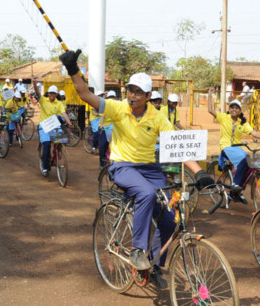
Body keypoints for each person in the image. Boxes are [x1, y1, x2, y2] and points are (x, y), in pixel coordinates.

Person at [59, 49, 214, 285]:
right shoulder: (117, 108)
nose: (132, 95)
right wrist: (73, 70)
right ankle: (138, 250)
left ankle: (153, 265)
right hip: (123, 167)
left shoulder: (158, 117)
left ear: (148, 95)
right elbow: (84, 95)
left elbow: (179, 147)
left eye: (138, 92)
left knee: (169, 220)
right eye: (130, 90)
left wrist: (199, 172)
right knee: (146, 193)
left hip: (150, 169)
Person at [207, 87, 260, 204]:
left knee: (250, 161)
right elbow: (211, 110)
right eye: (232, 107)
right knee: (244, 159)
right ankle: (235, 184)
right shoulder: (224, 117)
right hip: (226, 146)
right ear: (229, 109)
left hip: (237, 147)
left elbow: (253, 132)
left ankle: (236, 192)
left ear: (240, 111)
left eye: (236, 108)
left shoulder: (243, 123)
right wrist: (209, 95)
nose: (234, 109)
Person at [32, 81, 71, 177]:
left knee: (62, 140)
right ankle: (45, 166)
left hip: (54, 125)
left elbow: (64, 113)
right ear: (48, 94)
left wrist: (69, 123)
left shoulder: (59, 103)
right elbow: (38, 93)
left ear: (56, 94)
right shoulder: (43, 100)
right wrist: (34, 84)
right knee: (46, 144)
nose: (52, 95)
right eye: (50, 93)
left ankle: (57, 153)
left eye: (54, 93)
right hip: (43, 125)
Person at [98, 90, 117, 169]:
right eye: (110, 97)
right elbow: (102, 116)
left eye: (113, 97)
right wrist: (101, 126)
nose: (112, 99)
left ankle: (110, 161)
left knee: (112, 146)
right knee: (103, 146)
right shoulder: (105, 105)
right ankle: (101, 163)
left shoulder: (116, 106)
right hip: (104, 128)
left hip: (112, 128)